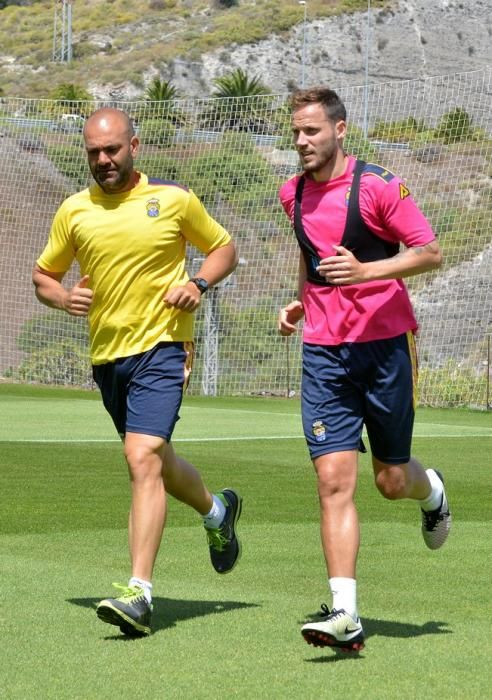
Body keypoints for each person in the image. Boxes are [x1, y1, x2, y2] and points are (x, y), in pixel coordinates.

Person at [33, 107, 242, 638]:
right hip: (109, 357)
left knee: (140, 455)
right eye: (94, 153)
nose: (103, 160)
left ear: (134, 146)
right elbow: (44, 276)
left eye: (113, 150)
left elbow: (224, 248)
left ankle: (138, 594)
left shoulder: (172, 200)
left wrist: (197, 284)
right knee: (157, 460)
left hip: (164, 347)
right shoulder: (74, 211)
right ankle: (218, 513)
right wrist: (62, 297)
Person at [278, 87, 451, 652]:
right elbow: (310, 258)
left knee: (389, 481)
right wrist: (301, 300)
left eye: (312, 131)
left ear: (340, 129)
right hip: (324, 353)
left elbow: (429, 252)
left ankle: (431, 495)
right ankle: (345, 614)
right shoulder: (292, 194)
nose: (302, 142)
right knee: (332, 481)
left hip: (385, 348)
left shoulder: (377, 186)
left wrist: (369, 271)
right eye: (296, 132)